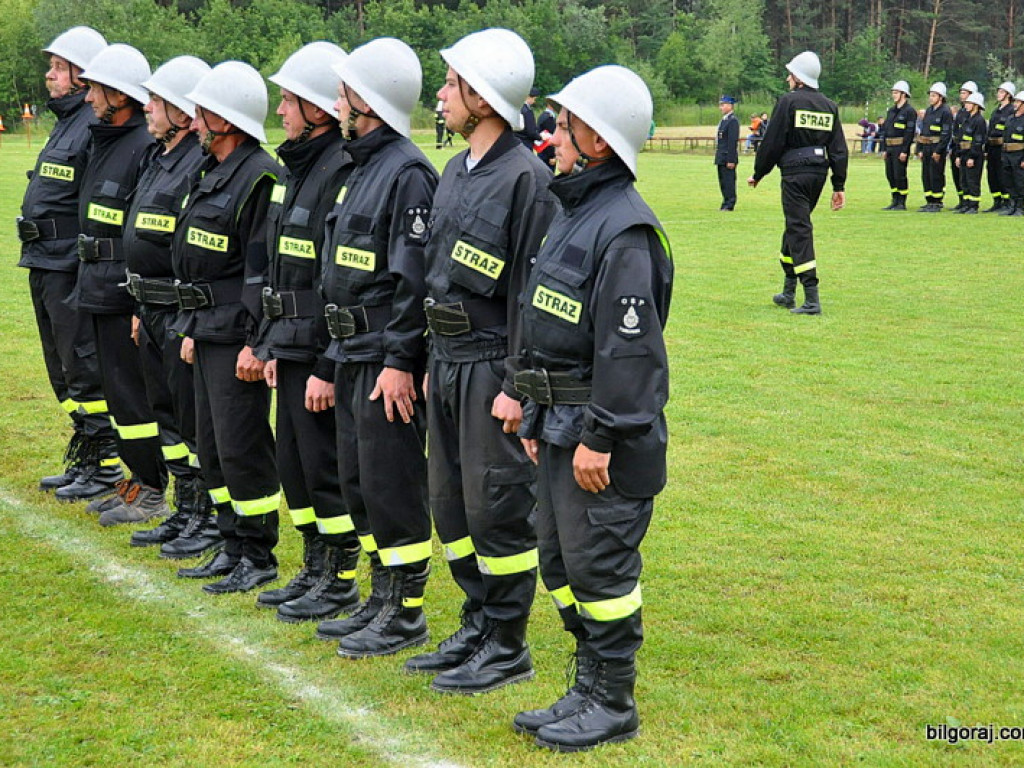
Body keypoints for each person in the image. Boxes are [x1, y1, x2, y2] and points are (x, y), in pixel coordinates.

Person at [509, 64, 673, 753]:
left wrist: (600, 438)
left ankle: (614, 701)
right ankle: (587, 685)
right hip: (557, 426)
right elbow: (544, 320)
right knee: (561, 562)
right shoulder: (574, 212)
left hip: (599, 437)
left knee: (601, 570)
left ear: (599, 142)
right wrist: (529, 410)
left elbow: (630, 359)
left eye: (566, 124)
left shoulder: (626, 231)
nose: (554, 134)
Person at [403, 28, 558, 694]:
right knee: (452, 506)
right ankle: (475, 619)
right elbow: (436, 276)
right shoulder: (455, 171)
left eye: (450, 84)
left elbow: (532, 294)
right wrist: (434, 356)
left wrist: (519, 386)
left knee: (497, 506)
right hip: (449, 361)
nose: (440, 95)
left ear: (482, 97)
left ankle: (507, 641)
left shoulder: (529, 181)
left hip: (494, 368)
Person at [313, 38, 438, 658]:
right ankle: (380, 594)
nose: (336, 102)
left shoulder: (408, 173)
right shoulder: (359, 166)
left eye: (345, 92)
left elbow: (411, 283)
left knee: (391, 486)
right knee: (359, 483)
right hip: (351, 354)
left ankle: (406, 612)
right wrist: (335, 359)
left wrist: (398, 363)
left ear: (370, 100)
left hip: (382, 362)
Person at [254, 42, 363, 623]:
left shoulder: (339, 170)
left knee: (324, 468)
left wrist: (324, 362)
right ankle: (315, 566)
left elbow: (333, 278)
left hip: (319, 350)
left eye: (289, 101)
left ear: (319, 110)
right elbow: (281, 267)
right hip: (289, 347)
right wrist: (272, 344)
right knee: (294, 468)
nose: (281, 112)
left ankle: (341, 577)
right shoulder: (296, 167)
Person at [172, 61, 282, 593]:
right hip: (207, 329)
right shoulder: (211, 170)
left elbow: (261, 271)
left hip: (237, 335)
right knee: (211, 445)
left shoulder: (260, 176)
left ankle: (257, 553)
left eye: (202, 113)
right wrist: (192, 325)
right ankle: (230, 541)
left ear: (228, 120)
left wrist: (255, 342)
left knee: (241, 447)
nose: (194, 122)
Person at [18, 27, 120, 502]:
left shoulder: (91, 124)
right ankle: (86, 448)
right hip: (43, 261)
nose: (50, 75)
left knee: (82, 365)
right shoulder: (65, 121)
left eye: (59, 68)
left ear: (83, 77)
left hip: (68, 266)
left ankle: (103, 462)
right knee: (61, 369)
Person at [120, 56, 214, 549]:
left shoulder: (197, 163)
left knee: (191, 418)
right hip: (151, 311)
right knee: (167, 414)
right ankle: (183, 508)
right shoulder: (158, 159)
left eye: (156, 101)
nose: (148, 108)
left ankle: (205, 514)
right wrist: (140, 307)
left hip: (180, 313)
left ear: (181, 111)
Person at [75, 44, 168, 525]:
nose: (87, 96)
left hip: (119, 292)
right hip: (94, 286)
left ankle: (152, 488)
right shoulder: (104, 141)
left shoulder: (141, 147)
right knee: (116, 395)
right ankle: (136, 479)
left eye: (94, 87)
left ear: (119, 93)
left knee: (134, 395)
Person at [748, 51, 847, 316]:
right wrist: (839, 186)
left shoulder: (788, 102)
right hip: (819, 175)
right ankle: (788, 292)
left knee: (799, 229)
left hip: (794, 173)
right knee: (795, 225)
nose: (787, 78)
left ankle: (811, 299)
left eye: (790, 74)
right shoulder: (830, 106)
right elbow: (838, 149)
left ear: (798, 78)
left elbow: (772, 142)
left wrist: (759, 173)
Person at [916, 82, 953, 212]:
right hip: (926, 146)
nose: (930, 98)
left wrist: (939, 151)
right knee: (926, 175)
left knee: (936, 174)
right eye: (930, 95)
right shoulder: (929, 111)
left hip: (937, 147)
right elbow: (923, 131)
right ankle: (929, 200)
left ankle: (937, 202)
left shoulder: (945, 112)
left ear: (940, 97)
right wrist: (919, 149)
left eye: (933, 95)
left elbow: (946, 134)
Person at [881, 80, 917, 210]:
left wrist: (904, 150)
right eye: (893, 92)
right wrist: (884, 148)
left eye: (896, 93)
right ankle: (894, 199)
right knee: (890, 174)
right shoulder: (891, 111)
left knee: (899, 174)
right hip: (890, 147)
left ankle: (902, 201)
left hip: (900, 147)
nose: (893, 95)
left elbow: (909, 132)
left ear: (903, 94)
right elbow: (885, 130)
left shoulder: (909, 111)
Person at [984, 81, 1016, 212]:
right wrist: (986, 148)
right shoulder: (996, 111)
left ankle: (1007, 202)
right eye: (999, 91)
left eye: (1002, 92)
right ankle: (996, 201)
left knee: (1003, 175)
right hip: (992, 147)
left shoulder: (1011, 111)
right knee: (992, 175)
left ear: (1008, 95)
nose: (998, 94)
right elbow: (990, 130)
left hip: (1002, 148)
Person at [954, 91, 987, 214]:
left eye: (969, 103)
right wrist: (958, 155)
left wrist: (972, 157)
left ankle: (973, 205)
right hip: (963, 153)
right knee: (964, 180)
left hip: (973, 155)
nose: (966, 104)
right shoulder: (966, 118)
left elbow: (978, 141)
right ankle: (966, 204)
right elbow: (960, 138)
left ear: (976, 105)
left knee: (973, 180)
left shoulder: (979, 121)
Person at [948, 81, 977, 211]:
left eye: (964, 93)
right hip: (957, 147)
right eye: (961, 92)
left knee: (967, 177)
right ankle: (962, 200)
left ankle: (969, 202)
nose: (961, 95)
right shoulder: (960, 112)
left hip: (967, 149)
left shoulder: (971, 115)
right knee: (958, 176)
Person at [999, 92, 1024, 216]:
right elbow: (1005, 137)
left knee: (1020, 182)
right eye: (1016, 101)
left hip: (1019, 155)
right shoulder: (1010, 118)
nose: (1016, 104)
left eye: (1018, 102)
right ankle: (1012, 205)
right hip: (1008, 154)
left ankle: (1020, 207)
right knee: (1008, 181)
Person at [714, 95, 739, 211]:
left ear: (730, 106)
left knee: (729, 181)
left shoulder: (733, 121)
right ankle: (725, 201)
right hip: (721, 156)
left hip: (727, 156)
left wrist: (731, 159)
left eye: (723, 105)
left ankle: (730, 203)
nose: (721, 107)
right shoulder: (724, 121)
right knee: (723, 181)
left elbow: (732, 142)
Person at [536, 98, 556, 169]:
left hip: (542, 150)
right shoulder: (549, 118)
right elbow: (550, 138)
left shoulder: (543, 115)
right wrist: (552, 156)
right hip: (547, 153)